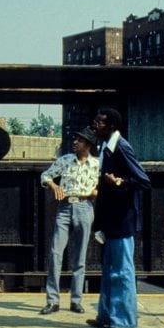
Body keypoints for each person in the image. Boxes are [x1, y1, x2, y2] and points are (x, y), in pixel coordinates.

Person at [87, 107, 151, 328]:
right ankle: (106, 316)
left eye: (100, 122)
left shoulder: (122, 147)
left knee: (122, 271)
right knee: (108, 270)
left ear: (111, 126)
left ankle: (124, 321)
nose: (95, 125)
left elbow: (143, 181)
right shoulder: (106, 147)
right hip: (109, 220)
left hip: (122, 220)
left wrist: (120, 183)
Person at [38, 126, 100, 315]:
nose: (75, 142)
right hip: (65, 207)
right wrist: (53, 185)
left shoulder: (97, 164)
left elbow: (104, 185)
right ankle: (53, 300)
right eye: (75, 139)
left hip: (84, 206)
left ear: (88, 145)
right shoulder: (65, 161)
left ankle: (76, 300)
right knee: (56, 254)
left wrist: (95, 192)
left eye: (79, 140)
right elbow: (45, 175)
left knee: (80, 256)